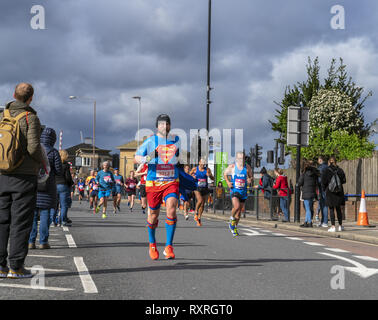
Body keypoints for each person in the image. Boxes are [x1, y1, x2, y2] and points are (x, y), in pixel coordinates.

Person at [0, 83, 44, 278]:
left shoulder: (3, 116)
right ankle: (15, 267)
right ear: (31, 98)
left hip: (2, 174)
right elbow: (34, 147)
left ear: (13, 95)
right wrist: (42, 163)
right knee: (21, 222)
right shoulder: (30, 117)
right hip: (24, 177)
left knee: (2, 221)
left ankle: (0, 266)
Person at [134, 114, 180, 260]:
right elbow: (136, 157)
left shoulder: (176, 140)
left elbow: (177, 157)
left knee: (171, 208)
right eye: (161, 124)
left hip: (171, 180)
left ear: (170, 126)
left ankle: (168, 246)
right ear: (157, 127)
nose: (164, 126)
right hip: (153, 183)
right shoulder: (150, 141)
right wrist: (147, 158)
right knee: (153, 215)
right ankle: (152, 244)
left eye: (167, 124)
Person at [29, 127, 63, 249]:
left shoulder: (35, 149)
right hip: (48, 187)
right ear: (53, 139)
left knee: (32, 215)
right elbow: (59, 171)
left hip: (33, 186)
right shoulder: (54, 152)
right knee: (45, 214)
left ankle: (30, 241)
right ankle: (43, 242)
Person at [224, 151, 253, 237]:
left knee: (239, 212)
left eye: (243, 158)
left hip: (243, 192)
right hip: (234, 190)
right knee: (236, 207)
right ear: (236, 159)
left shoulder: (247, 167)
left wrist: (250, 180)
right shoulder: (232, 167)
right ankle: (231, 219)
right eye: (240, 158)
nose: (241, 160)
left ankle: (234, 227)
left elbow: (251, 177)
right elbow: (225, 174)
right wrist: (228, 182)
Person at [321, 156, 346, 232]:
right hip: (339, 191)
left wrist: (325, 189)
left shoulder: (326, 170)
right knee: (338, 209)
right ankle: (340, 226)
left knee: (331, 209)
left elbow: (323, 182)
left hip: (330, 191)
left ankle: (333, 226)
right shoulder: (340, 170)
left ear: (329, 162)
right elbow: (344, 180)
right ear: (335, 162)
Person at [190, 158, 215, 226]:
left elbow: (213, 178)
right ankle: (195, 212)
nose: (203, 164)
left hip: (204, 188)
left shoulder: (207, 170)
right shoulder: (195, 169)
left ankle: (199, 218)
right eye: (202, 162)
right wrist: (192, 176)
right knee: (200, 200)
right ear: (199, 162)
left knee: (203, 204)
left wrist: (210, 175)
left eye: (204, 162)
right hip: (196, 187)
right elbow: (189, 175)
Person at [297, 161, 320, 228]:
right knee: (309, 208)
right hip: (312, 193)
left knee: (307, 209)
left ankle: (309, 222)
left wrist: (297, 184)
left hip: (306, 193)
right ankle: (306, 222)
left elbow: (300, 183)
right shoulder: (314, 175)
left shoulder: (304, 174)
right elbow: (316, 184)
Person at [55, 150, 74, 227]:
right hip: (63, 185)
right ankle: (62, 221)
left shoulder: (54, 164)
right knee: (63, 205)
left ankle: (54, 221)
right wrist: (71, 184)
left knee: (55, 205)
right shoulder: (66, 165)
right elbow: (68, 177)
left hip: (54, 185)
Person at [317, 156, 329, 227]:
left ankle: (325, 222)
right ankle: (323, 221)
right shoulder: (326, 166)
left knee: (324, 204)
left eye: (318, 159)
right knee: (322, 204)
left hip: (322, 187)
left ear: (320, 159)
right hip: (324, 187)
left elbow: (320, 178)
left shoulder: (322, 167)